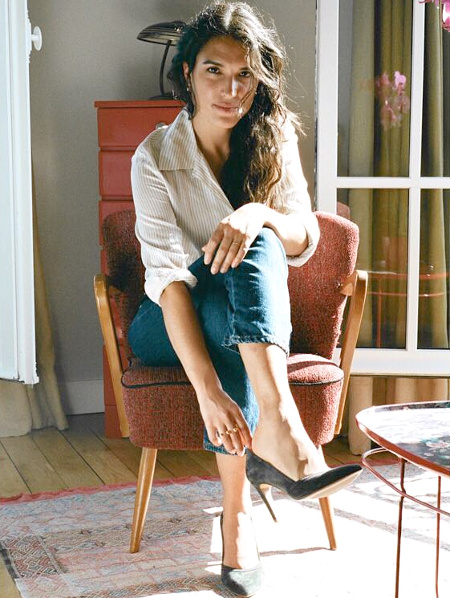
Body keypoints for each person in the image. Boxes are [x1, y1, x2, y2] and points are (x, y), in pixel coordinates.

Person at [129, 2, 361, 595]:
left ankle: (242, 507)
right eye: (215, 71)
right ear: (187, 73)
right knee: (220, 308)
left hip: (235, 317)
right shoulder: (154, 156)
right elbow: (169, 282)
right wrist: (208, 393)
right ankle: (275, 450)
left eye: (245, 75)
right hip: (163, 320)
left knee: (256, 240)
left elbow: (304, 237)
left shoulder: (272, 136)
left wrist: (258, 212)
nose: (231, 91)